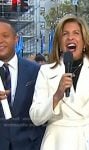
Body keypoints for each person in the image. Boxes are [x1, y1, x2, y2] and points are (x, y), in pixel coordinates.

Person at [29, 14, 89, 150]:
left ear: (85, 41)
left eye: (76, 33)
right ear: (59, 43)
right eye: (65, 34)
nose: (70, 37)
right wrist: (57, 95)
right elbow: (36, 117)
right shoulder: (45, 71)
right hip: (55, 142)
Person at [0, 18, 45, 150]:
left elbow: (42, 110)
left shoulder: (35, 70)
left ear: (16, 39)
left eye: (5, 36)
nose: (0, 41)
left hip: (28, 144)